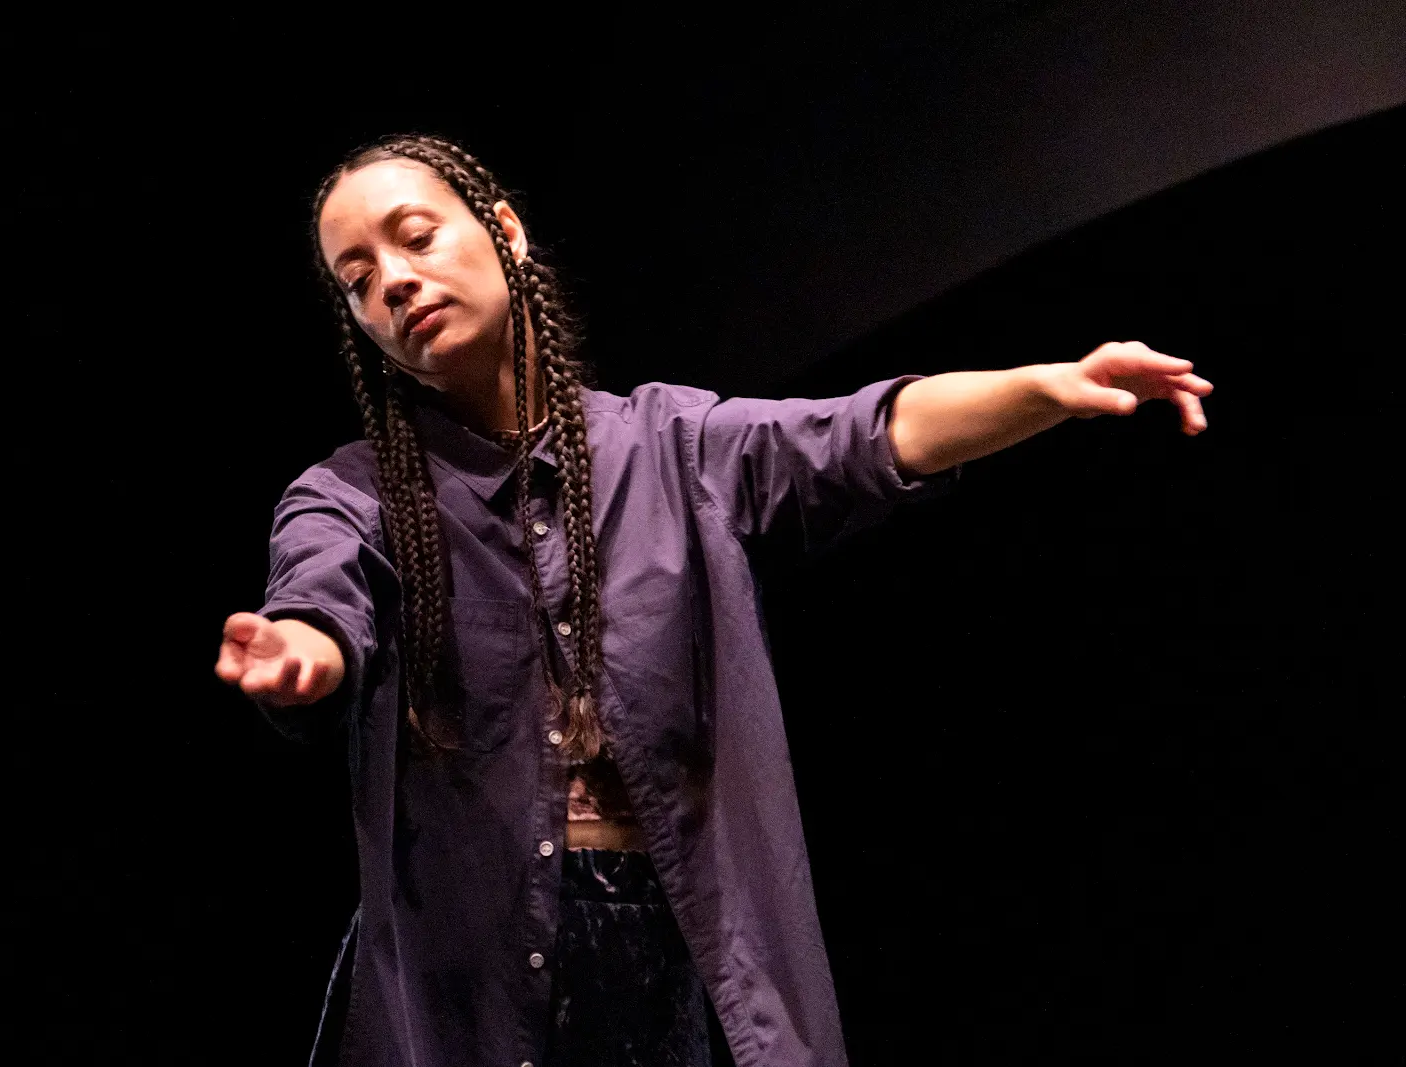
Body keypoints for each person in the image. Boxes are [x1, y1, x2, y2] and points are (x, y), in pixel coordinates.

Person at [214, 134, 1212, 1067]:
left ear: (503, 231)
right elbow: (320, 590)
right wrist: (306, 649)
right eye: (355, 280)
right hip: (477, 969)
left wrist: (1047, 385)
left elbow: (860, 434)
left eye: (414, 237)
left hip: (680, 933)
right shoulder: (351, 493)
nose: (391, 279)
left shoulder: (672, 444)